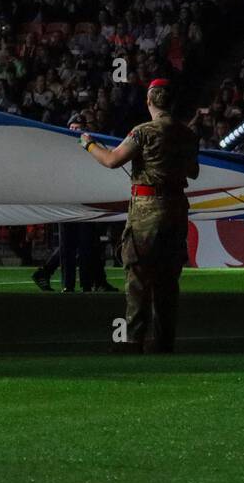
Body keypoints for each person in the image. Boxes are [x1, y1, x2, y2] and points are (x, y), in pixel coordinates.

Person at [81, 79, 200, 353]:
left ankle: (133, 339)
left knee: (138, 275)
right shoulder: (187, 133)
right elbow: (192, 171)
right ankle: (163, 341)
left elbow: (111, 160)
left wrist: (88, 144)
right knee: (168, 279)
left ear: (149, 101)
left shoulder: (142, 132)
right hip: (176, 209)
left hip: (147, 211)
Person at [32, 113, 118, 293]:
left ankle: (88, 283)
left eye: (78, 128)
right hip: (69, 200)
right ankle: (71, 284)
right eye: (72, 128)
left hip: (86, 200)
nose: (74, 132)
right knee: (72, 244)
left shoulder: (89, 146)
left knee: (87, 243)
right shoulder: (63, 149)